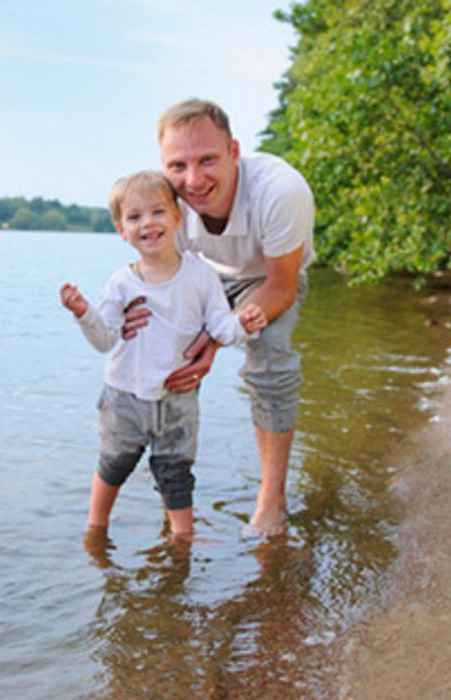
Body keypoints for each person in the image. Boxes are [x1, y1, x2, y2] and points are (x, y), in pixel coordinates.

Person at [134, 98, 316, 538]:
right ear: (163, 165)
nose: (193, 180)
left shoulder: (280, 192)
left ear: (234, 152)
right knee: (164, 355)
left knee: (270, 357)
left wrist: (215, 340)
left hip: (267, 278)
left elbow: (282, 287)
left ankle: (271, 498)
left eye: (208, 160)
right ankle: (173, 497)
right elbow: (160, 277)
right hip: (205, 278)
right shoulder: (164, 199)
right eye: (178, 166)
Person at [60, 171, 267, 539]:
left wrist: (244, 324)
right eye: (135, 217)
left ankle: (182, 537)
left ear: (177, 217)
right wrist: (83, 313)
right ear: (121, 230)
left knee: (176, 470)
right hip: (124, 394)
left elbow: (220, 325)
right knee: (114, 464)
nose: (148, 223)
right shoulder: (121, 283)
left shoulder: (201, 275)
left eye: (157, 212)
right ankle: (96, 528)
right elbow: (105, 340)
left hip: (178, 397)